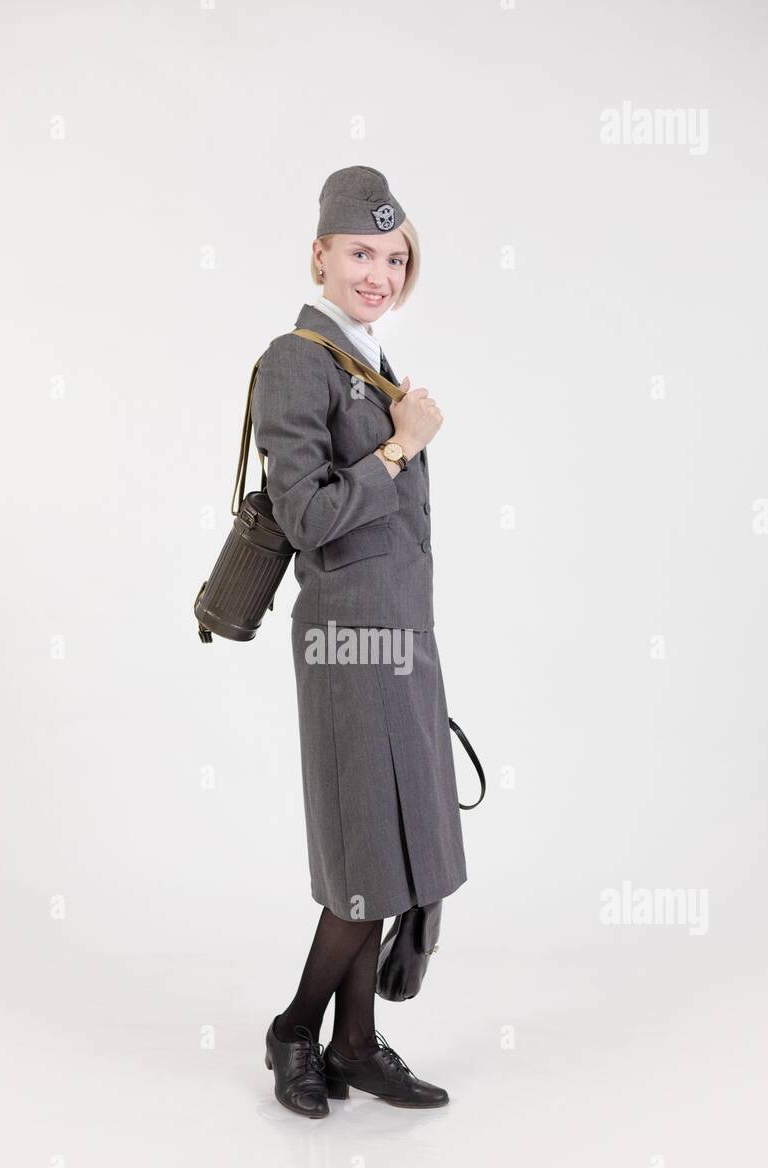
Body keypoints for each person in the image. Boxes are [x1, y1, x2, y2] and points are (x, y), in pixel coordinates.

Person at [251, 166, 467, 1118]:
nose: (379, 272)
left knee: (385, 846)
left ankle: (354, 1042)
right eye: (360, 253)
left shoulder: (367, 361)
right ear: (319, 257)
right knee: (359, 855)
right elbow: (305, 514)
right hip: (345, 643)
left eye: (393, 256)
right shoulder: (299, 361)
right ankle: (297, 1029)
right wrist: (399, 445)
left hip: (400, 639)